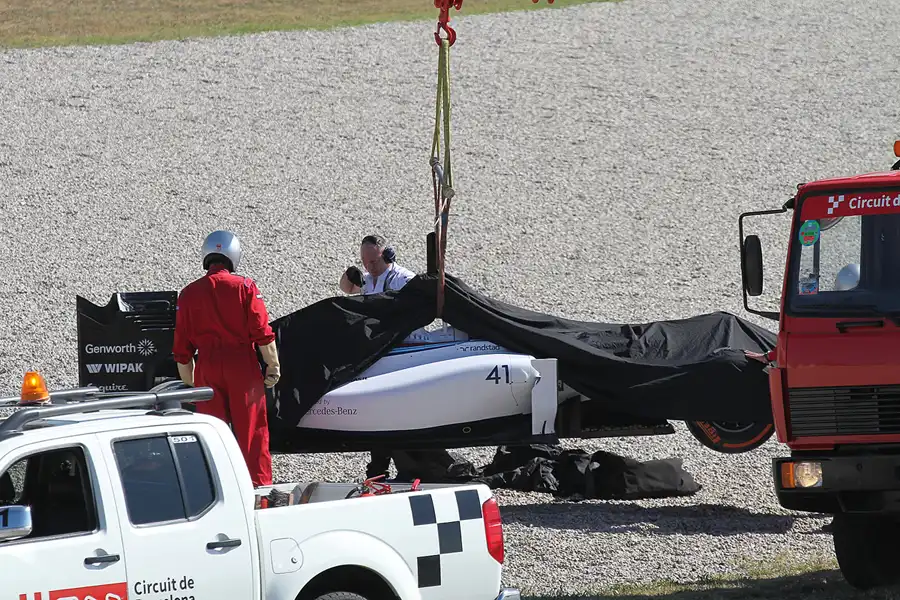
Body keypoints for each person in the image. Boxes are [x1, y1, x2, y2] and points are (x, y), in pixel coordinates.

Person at [172, 230, 281, 488]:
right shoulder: (245, 287)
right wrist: (273, 366)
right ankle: (258, 489)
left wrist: (191, 381)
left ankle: (216, 489)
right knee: (252, 432)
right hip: (242, 366)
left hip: (207, 368)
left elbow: (181, 349)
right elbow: (262, 332)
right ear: (233, 256)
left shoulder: (187, 294)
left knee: (212, 434)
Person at [339, 234, 416, 295]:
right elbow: (348, 289)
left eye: (373, 262)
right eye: (365, 261)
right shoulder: (368, 279)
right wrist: (349, 274)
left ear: (387, 257)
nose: (369, 267)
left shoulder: (402, 279)